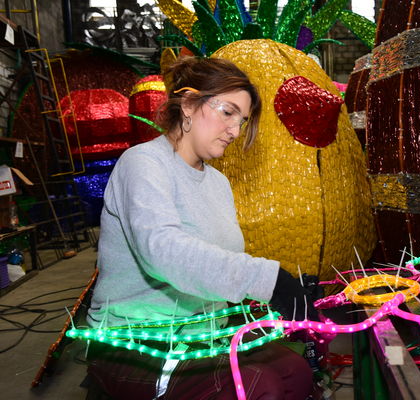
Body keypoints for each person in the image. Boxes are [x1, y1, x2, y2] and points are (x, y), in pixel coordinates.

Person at [86, 57, 320, 400]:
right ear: (188, 103)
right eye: (228, 112)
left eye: (242, 120)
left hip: (202, 334)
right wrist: (270, 281)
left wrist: (282, 293)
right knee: (257, 385)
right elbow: (163, 251)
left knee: (295, 371)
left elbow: (218, 262)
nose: (235, 131)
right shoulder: (143, 163)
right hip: (137, 340)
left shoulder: (218, 183)